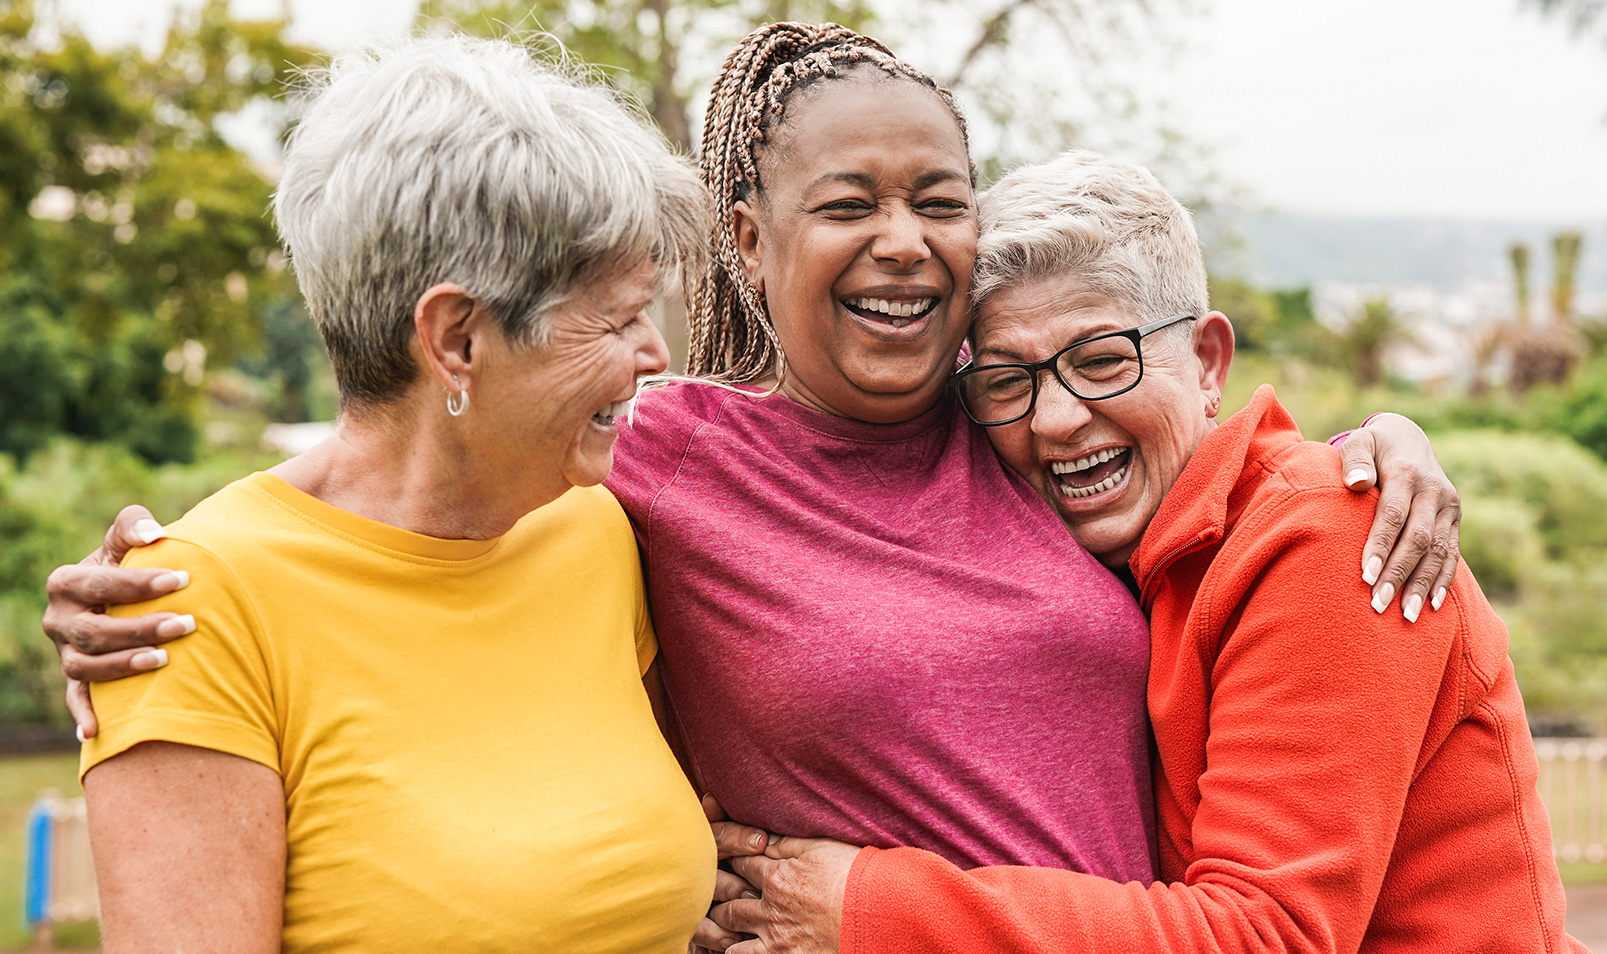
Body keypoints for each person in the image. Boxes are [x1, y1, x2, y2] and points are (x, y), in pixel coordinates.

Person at [44, 23, 1466, 953]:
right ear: (747, 231)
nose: (904, 243)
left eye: (940, 200)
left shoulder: (1017, 420)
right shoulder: (651, 462)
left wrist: (1378, 444)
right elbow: (398, 475)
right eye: (848, 204)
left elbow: (1178, 434)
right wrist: (168, 573)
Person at [707, 153, 1581, 953]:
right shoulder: (1114, 547)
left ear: (1207, 360)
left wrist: (866, 907)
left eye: (1101, 360)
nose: (1055, 419)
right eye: (1010, 380)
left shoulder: (1330, 540)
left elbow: (1264, 937)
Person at [70, 36, 717, 953]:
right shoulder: (189, 609)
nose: (656, 355)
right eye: (616, 318)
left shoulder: (595, 523)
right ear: (455, 339)